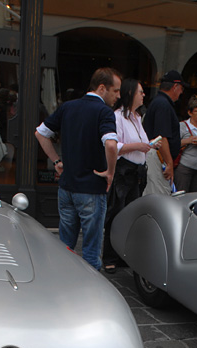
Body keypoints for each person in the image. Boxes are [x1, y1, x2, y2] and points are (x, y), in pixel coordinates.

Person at [35, 67, 121, 270]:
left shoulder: (68, 107)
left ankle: (62, 285)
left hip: (67, 188)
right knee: (91, 252)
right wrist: (110, 172)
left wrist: (56, 161)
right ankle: (90, 296)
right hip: (91, 188)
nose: (118, 96)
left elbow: (40, 133)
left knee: (65, 246)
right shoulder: (104, 112)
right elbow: (111, 144)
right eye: (115, 90)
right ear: (102, 88)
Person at [102, 78, 157, 273]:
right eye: (140, 92)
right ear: (130, 93)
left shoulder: (137, 117)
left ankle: (122, 254)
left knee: (132, 216)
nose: (143, 95)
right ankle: (109, 256)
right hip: (124, 173)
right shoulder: (117, 117)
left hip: (137, 174)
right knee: (116, 213)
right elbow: (113, 145)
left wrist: (147, 144)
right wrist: (138, 146)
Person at [142, 69, 183, 196]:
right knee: (158, 197)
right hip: (158, 158)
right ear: (175, 87)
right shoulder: (163, 104)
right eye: (181, 88)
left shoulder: (160, 102)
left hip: (159, 157)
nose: (181, 92)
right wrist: (169, 163)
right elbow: (161, 137)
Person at [174, 96, 197, 193]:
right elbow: (173, 144)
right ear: (190, 113)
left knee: (195, 195)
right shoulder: (182, 126)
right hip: (185, 166)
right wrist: (188, 140)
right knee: (181, 195)